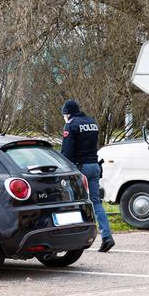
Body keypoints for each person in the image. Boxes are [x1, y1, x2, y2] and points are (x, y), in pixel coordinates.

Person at [60, 99, 114, 252]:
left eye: (64, 115)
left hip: (80, 169)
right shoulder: (92, 123)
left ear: (68, 113)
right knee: (96, 203)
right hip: (95, 166)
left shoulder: (71, 125)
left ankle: (74, 239)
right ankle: (107, 236)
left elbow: (66, 153)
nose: (64, 118)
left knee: (74, 203)